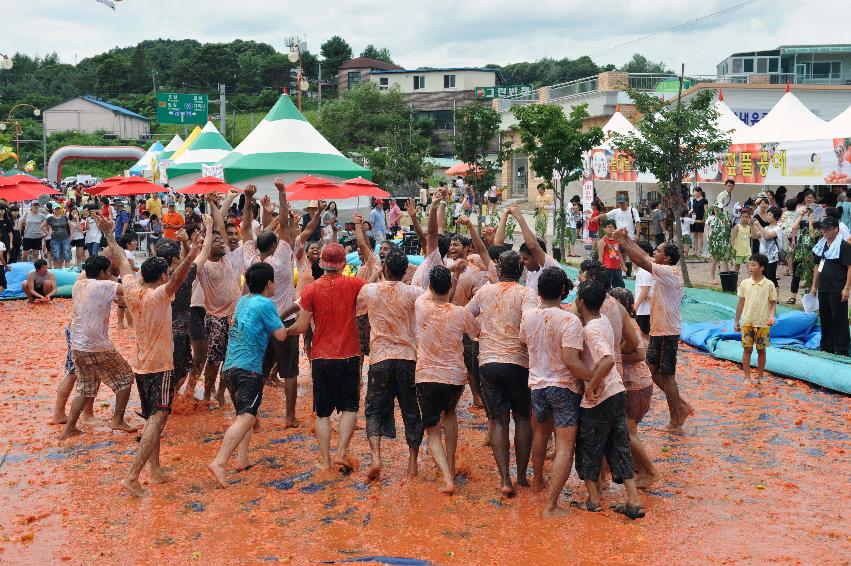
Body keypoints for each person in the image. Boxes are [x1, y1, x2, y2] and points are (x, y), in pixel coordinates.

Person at [120, 224, 199, 497]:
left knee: (155, 420)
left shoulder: (131, 290)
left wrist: (108, 234)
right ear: (162, 275)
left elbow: (121, 261)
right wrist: (191, 254)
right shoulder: (158, 295)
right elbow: (177, 279)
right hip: (160, 366)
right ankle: (132, 476)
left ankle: (154, 469)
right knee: (157, 418)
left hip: (140, 366)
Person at [286, 243, 367, 471]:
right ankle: (341, 451)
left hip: (321, 357)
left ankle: (324, 460)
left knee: (322, 413)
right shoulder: (354, 284)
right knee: (350, 408)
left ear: (322, 262)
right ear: (343, 264)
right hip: (349, 354)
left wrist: (284, 331)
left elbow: (301, 326)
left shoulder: (310, 290)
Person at [208, 262, 289, 488]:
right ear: (269, 283)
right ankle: (220, 462)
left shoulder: (244, 301)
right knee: (247, 417)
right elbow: (281, 335)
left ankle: (242, 460)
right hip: (248, 369)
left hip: (230, 368)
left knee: (244, 416)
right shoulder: (266, 304)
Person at [519, 267, 590, 516]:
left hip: (537, 386)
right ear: (564, 291)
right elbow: (572, 361)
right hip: (564, 388)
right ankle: (551, 505)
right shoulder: (570, 320)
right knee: (564, 446)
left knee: (540, 434)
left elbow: (523, 341)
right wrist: (593, 379)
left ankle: (538, 481)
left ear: (538, 291)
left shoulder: (528, 317)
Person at [466, 250, 536, 496]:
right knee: (523, 418)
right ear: (522, 270)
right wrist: (524, 342)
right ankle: (523, 477)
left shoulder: (485, 291)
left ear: (497, 268)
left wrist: (477, 335)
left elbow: (466, 314)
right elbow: (529, 322)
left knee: (498, 420)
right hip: (518, 362)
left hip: (488, 362)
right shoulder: (526, 293)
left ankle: (505, 480)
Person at [572, 280, 644, 519]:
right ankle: (633, 501)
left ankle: (593, 500)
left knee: (588, 446)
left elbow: (607, 360)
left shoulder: (591, 329)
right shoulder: (603, 320)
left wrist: (591, 386)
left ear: (580, 302)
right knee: (619, 445)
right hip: (617, 391)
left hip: (600, 396)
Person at [613, 229, 692, 434]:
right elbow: (644, 257)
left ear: (666, 258)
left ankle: (676, 419)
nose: (654, 254)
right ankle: (680, 405)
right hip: (660, 329)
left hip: (667, 330)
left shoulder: (669, 272)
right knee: (652, 369)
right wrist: (626, 240)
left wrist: (623, 240)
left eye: (658, 251)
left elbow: (642, 260)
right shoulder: (664, 269)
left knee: (667, 376)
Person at [357, 247, 425, 480]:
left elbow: (356, 304)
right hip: (407, 358)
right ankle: (413, 463)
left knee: (374, 409)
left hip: (380, 359)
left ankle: (376, 457)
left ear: (385, 268)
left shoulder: (370, 290)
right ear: (405, 269)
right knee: (411, 411)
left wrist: (375, 274)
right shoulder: (415, 292)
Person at [60, 243, 136, 440]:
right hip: (96, 345)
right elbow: (129, 288)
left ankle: (69, 429)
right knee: (126, 377)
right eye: (109, 271)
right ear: (103, 272)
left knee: (84, 387)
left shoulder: (79, 285)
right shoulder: (105, 285)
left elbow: (114, 301)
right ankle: (117, 419)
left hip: (77, 345)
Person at [243, 182, 301, 426]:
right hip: (283, 321)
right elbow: (286, 223)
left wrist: (248, 199)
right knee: (289, 372)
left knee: (256, 371)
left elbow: (246, 226)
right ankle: (289, 417)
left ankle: (252, 418)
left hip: (257, 321)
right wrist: (281, 192)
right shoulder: (281, 257)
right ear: (275, 245)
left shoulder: (250, 259)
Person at [608, 287, 661, 490]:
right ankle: (640, 467)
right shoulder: (626, 323)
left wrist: (612, 356)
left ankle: (650, 472)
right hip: (639, 384)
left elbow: (639, 355)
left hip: (635, 385)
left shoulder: (627, 324)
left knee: (627, 433)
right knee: (630, 431)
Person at [194, 198, 244, 406]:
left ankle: (221, 393)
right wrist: (206, 234)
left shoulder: (227, 257)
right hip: (214, 318)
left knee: (230, 359)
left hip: (233, 317)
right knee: (213, 361)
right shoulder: (203, 266)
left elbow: (221, 225)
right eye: (216, 242)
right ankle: (207, 393)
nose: (222, 243)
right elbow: (214, 232)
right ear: (208, 246)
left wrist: (217, 203)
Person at [810, 216, 851, 356]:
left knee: (839, 319)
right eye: (823, 228)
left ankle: (842, 349)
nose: (824, 231)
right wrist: (814, 285)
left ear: (836, 229)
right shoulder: (822, 245)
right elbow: (818, 266)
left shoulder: (844, 246)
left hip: (837, 288)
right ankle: (827, 345)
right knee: (825, 317)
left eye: (827, 228)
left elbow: (849, 267)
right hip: (824, 287)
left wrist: (847, 288)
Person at [734, 254, 778, 385]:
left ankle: (760, 377)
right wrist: (736, 321)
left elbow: (773, 302)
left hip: (763, 323)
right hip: (747, 322)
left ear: (762, 267)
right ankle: (747, 377)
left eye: (754, 265)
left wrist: (771, 316)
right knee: (747, 349)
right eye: (749, 264)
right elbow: (740, 303)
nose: (750, 267)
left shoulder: (769, 285)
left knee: (761, 350)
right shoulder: (745, 283)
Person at [752, 207, 784, 291]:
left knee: (771, 277)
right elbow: (754, 236)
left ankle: (775, 298)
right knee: (764, 277)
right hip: (763, 257)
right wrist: (752, 225)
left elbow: (767, 236)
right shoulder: (766, 228)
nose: (767, 216)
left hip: (772, 257)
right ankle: (766, 295)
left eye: (770, 215)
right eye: (767, 214)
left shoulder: (778, 228)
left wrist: (758, 225)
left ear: (776, 217)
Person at [634, 241, 655, 335]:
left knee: (644, 335)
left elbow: (645, 290)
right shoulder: (647, 268)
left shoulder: (644, 270)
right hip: (648, 308)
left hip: (644, 310)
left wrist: (636, 306)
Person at [598, 219, 626, 289]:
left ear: (614, 229)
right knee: (606, 288)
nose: (610, 228)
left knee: (620, 287)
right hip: (607, 268)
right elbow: (600, 256)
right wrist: (601, 269)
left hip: (617, 268)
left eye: (611, 227)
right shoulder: (602, 241)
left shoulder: (616, 240)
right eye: (607, 227)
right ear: (604, 229)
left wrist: (623, 265)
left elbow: (619, 253)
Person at [730, 207, 753, 275]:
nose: (744, 218)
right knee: (737, 267)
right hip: (738, 251)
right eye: (743, 217)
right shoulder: (737, 226)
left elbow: (751, 239)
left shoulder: (749, 227)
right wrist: (732, 249)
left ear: (749, 218)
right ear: (740, 217)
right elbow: (733, 238)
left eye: (746, 217)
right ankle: (734, 279)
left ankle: (750, 281)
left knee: (750, 267)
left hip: (747, 251)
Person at [690, 188, 708, 256]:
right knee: (694, 236)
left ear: (699, 192)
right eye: (693, 192)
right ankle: (695, 250)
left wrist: (705, 220)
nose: (694, 193)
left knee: (700, 236)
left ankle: (699, 251)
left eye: (695, 192)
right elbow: (692, 209)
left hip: (700, 220)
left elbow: (706, 211)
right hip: (693, 219)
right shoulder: (694, 200)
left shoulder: (704, 200)